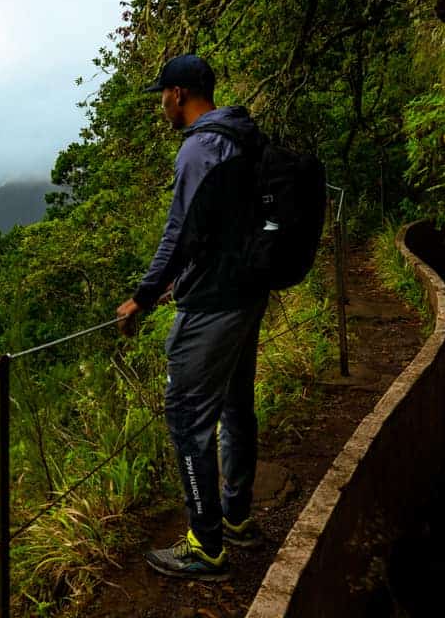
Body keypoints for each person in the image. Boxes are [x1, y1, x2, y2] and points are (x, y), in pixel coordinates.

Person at [116, 52, 269, 581]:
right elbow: (221, 226)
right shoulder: (242, 136)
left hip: (214, 305)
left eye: (163, 94)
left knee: (186, 416)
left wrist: (143, 293)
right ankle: (238, 517)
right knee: (235, 406)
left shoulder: (200, 148)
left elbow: (178, 232)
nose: (161, 103)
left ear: (179, 94)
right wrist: (183, 278)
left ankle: (206, 544)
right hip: (247, 292)